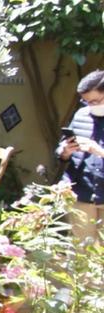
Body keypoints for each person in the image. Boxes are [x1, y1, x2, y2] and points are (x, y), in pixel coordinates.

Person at [56, 69, 104, 241]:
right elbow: (61, 150)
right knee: (81, 250)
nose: (91, 106)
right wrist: (65, 151)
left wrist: (99, 151)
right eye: (86, 102)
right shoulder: (81, 114)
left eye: (95, 101)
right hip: (82, 191)